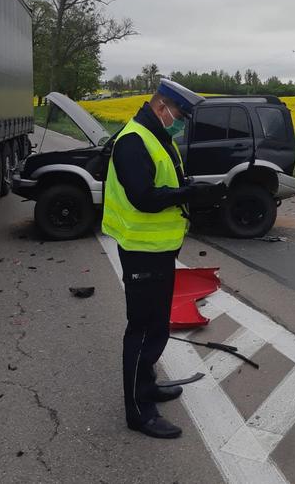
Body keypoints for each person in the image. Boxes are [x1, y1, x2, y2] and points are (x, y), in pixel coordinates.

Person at [102, 79, 226, 439]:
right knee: (141, 330)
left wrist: (195, 192)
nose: (181, 123)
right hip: (141, 251)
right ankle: (139, 412)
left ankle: (148, 385)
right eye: (180, 116)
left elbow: (169, 182)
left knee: (156, 325)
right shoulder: (133, 141)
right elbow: (143, 196)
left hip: (157, 251)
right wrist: (186, 193)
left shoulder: (157, 136)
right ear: (162, 108)